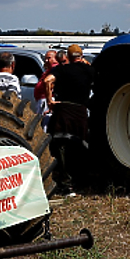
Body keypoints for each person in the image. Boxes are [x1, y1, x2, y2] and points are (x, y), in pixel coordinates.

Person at [43, 44, 95, 196]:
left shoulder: (61, 70)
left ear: (68, 57)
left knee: (61, 148)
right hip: (80, 112)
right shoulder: (89, 70)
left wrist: (50, 101)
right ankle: (81, 182)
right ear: (81, 56)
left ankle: (66, 185)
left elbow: (47, 81)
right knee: (80, 147)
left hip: (63, 112)